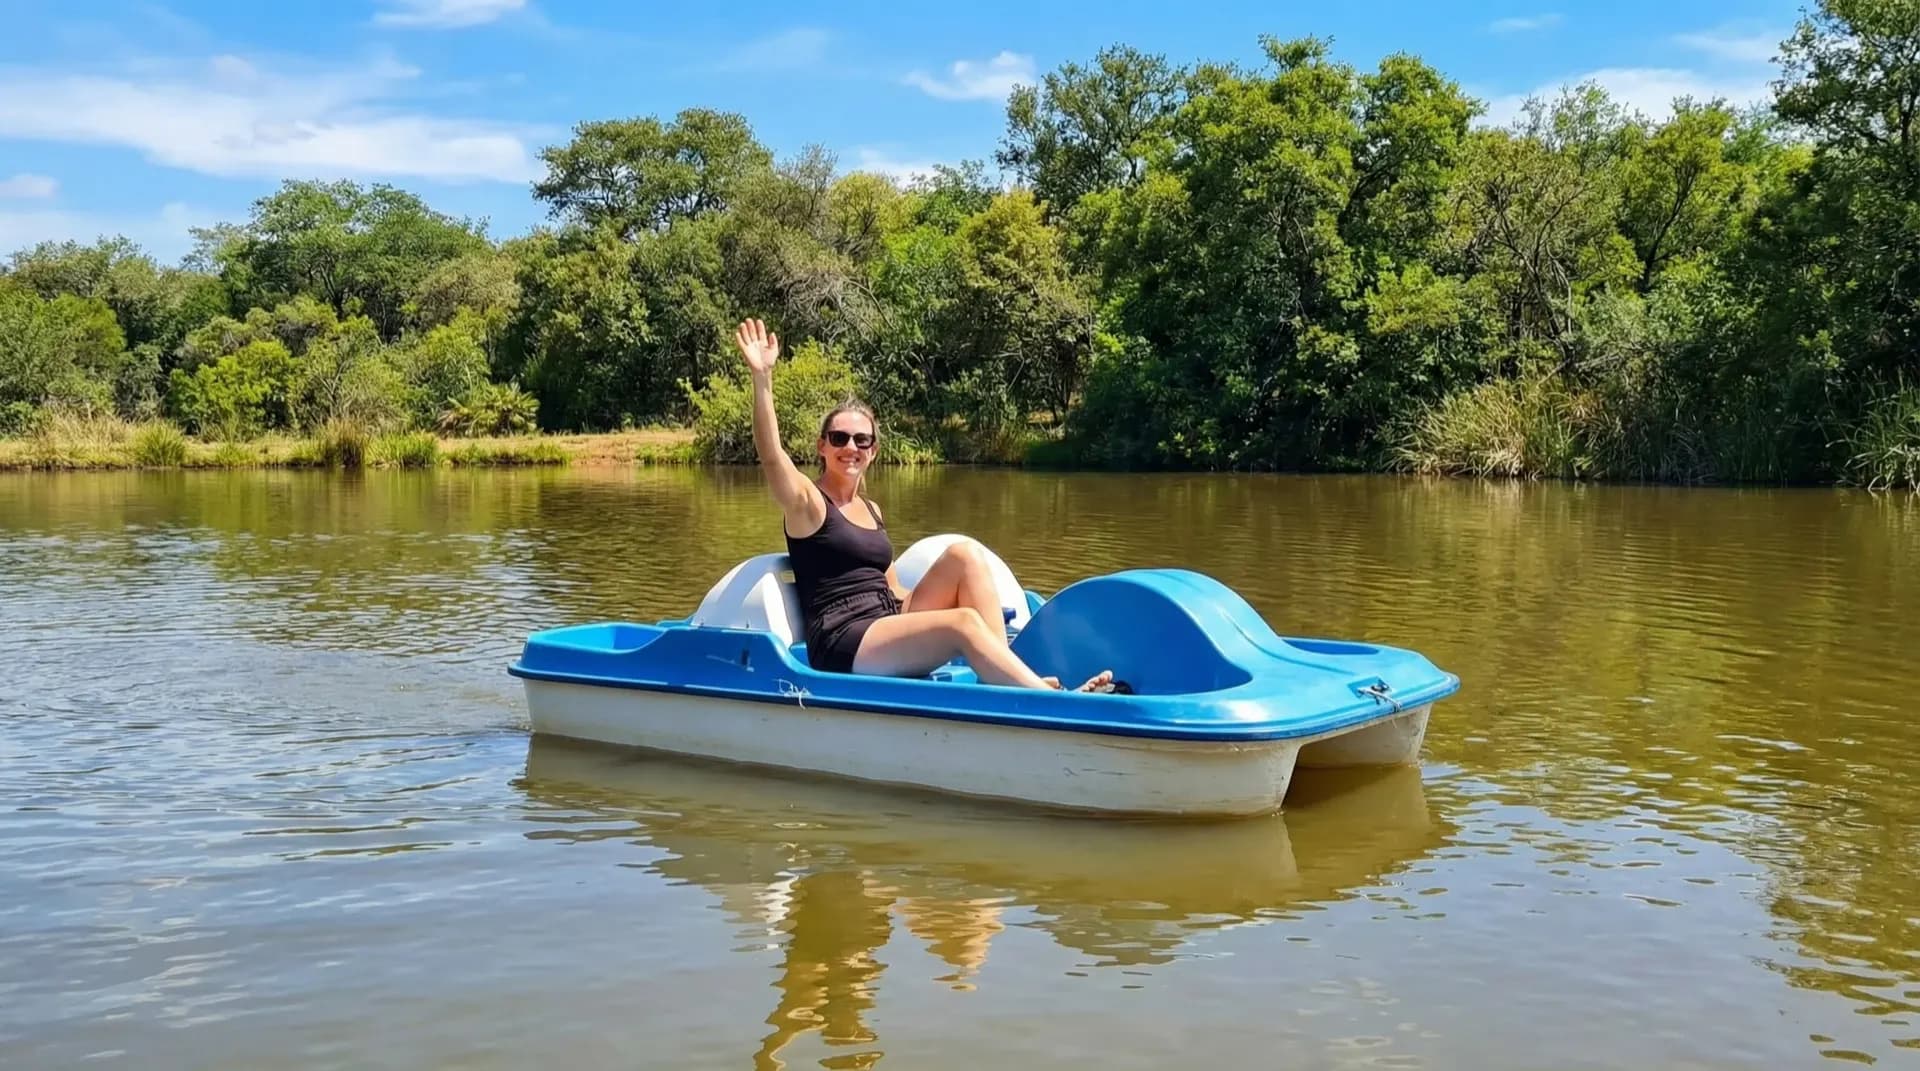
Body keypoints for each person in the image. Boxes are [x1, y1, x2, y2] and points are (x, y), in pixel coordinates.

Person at [734, 318, 1116, 691]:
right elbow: (772, 457)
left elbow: (892, 587)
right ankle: (1045, 697)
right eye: (839, 438)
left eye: (861, 440)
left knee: (964, 554)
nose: (850, 448)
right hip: (842, 639)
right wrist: (762, 378)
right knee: (962, 622)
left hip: (887, 620)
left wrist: (928, 606)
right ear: (822, 446)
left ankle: (1008, 674)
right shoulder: (809, 504)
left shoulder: (872, 510)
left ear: (873, 451)